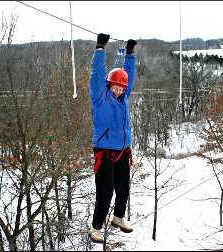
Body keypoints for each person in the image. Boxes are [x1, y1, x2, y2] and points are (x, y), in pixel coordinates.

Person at [89, 33, 137, 243]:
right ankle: (95, 227)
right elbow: (96, 75)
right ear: (109, 85)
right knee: (105, 192)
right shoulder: (100, 96)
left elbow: (129, 75)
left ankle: (118, 217)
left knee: (123, 188)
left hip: (122, 150)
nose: (118, 90)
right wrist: (100, 49)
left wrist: (130, 54)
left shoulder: (124, 97)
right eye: (115, 86)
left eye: (121, 88)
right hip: (105, 151)